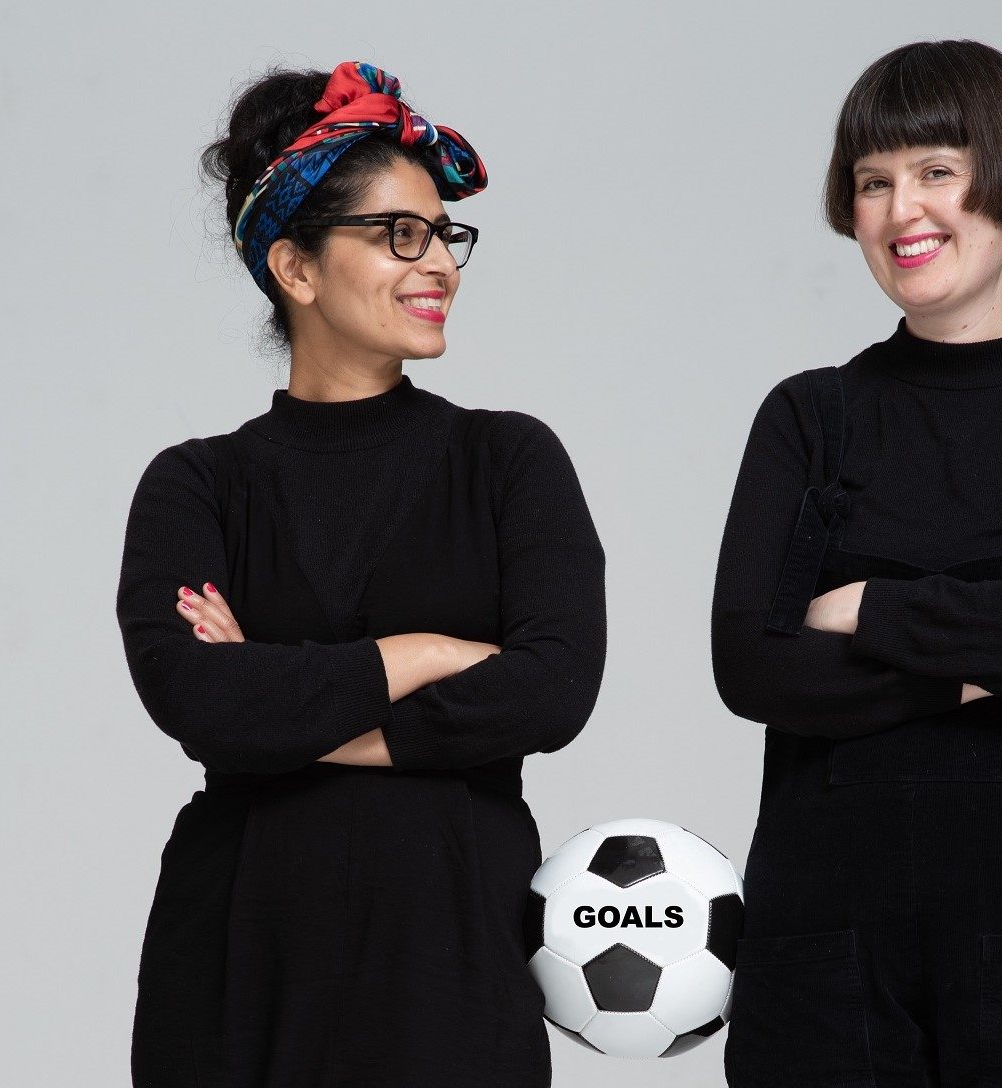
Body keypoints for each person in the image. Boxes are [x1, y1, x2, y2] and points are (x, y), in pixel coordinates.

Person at [115, 61, 607, 1088]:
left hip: (453, 952)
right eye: (398, 233)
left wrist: (288, 713)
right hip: (240, 960)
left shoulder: (508, 459)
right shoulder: (196, 484)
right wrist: (425, 652)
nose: (438, 265)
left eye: (442, 233)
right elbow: (198, 699)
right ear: (295, 269)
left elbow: (554, 685)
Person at [711, 40, 1002, 1087]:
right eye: (872, 182)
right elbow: (751, 664)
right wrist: (992, 651)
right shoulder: (808, 417)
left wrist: (865, 603)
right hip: (825, 965)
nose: (899, 211)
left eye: (935, 171)